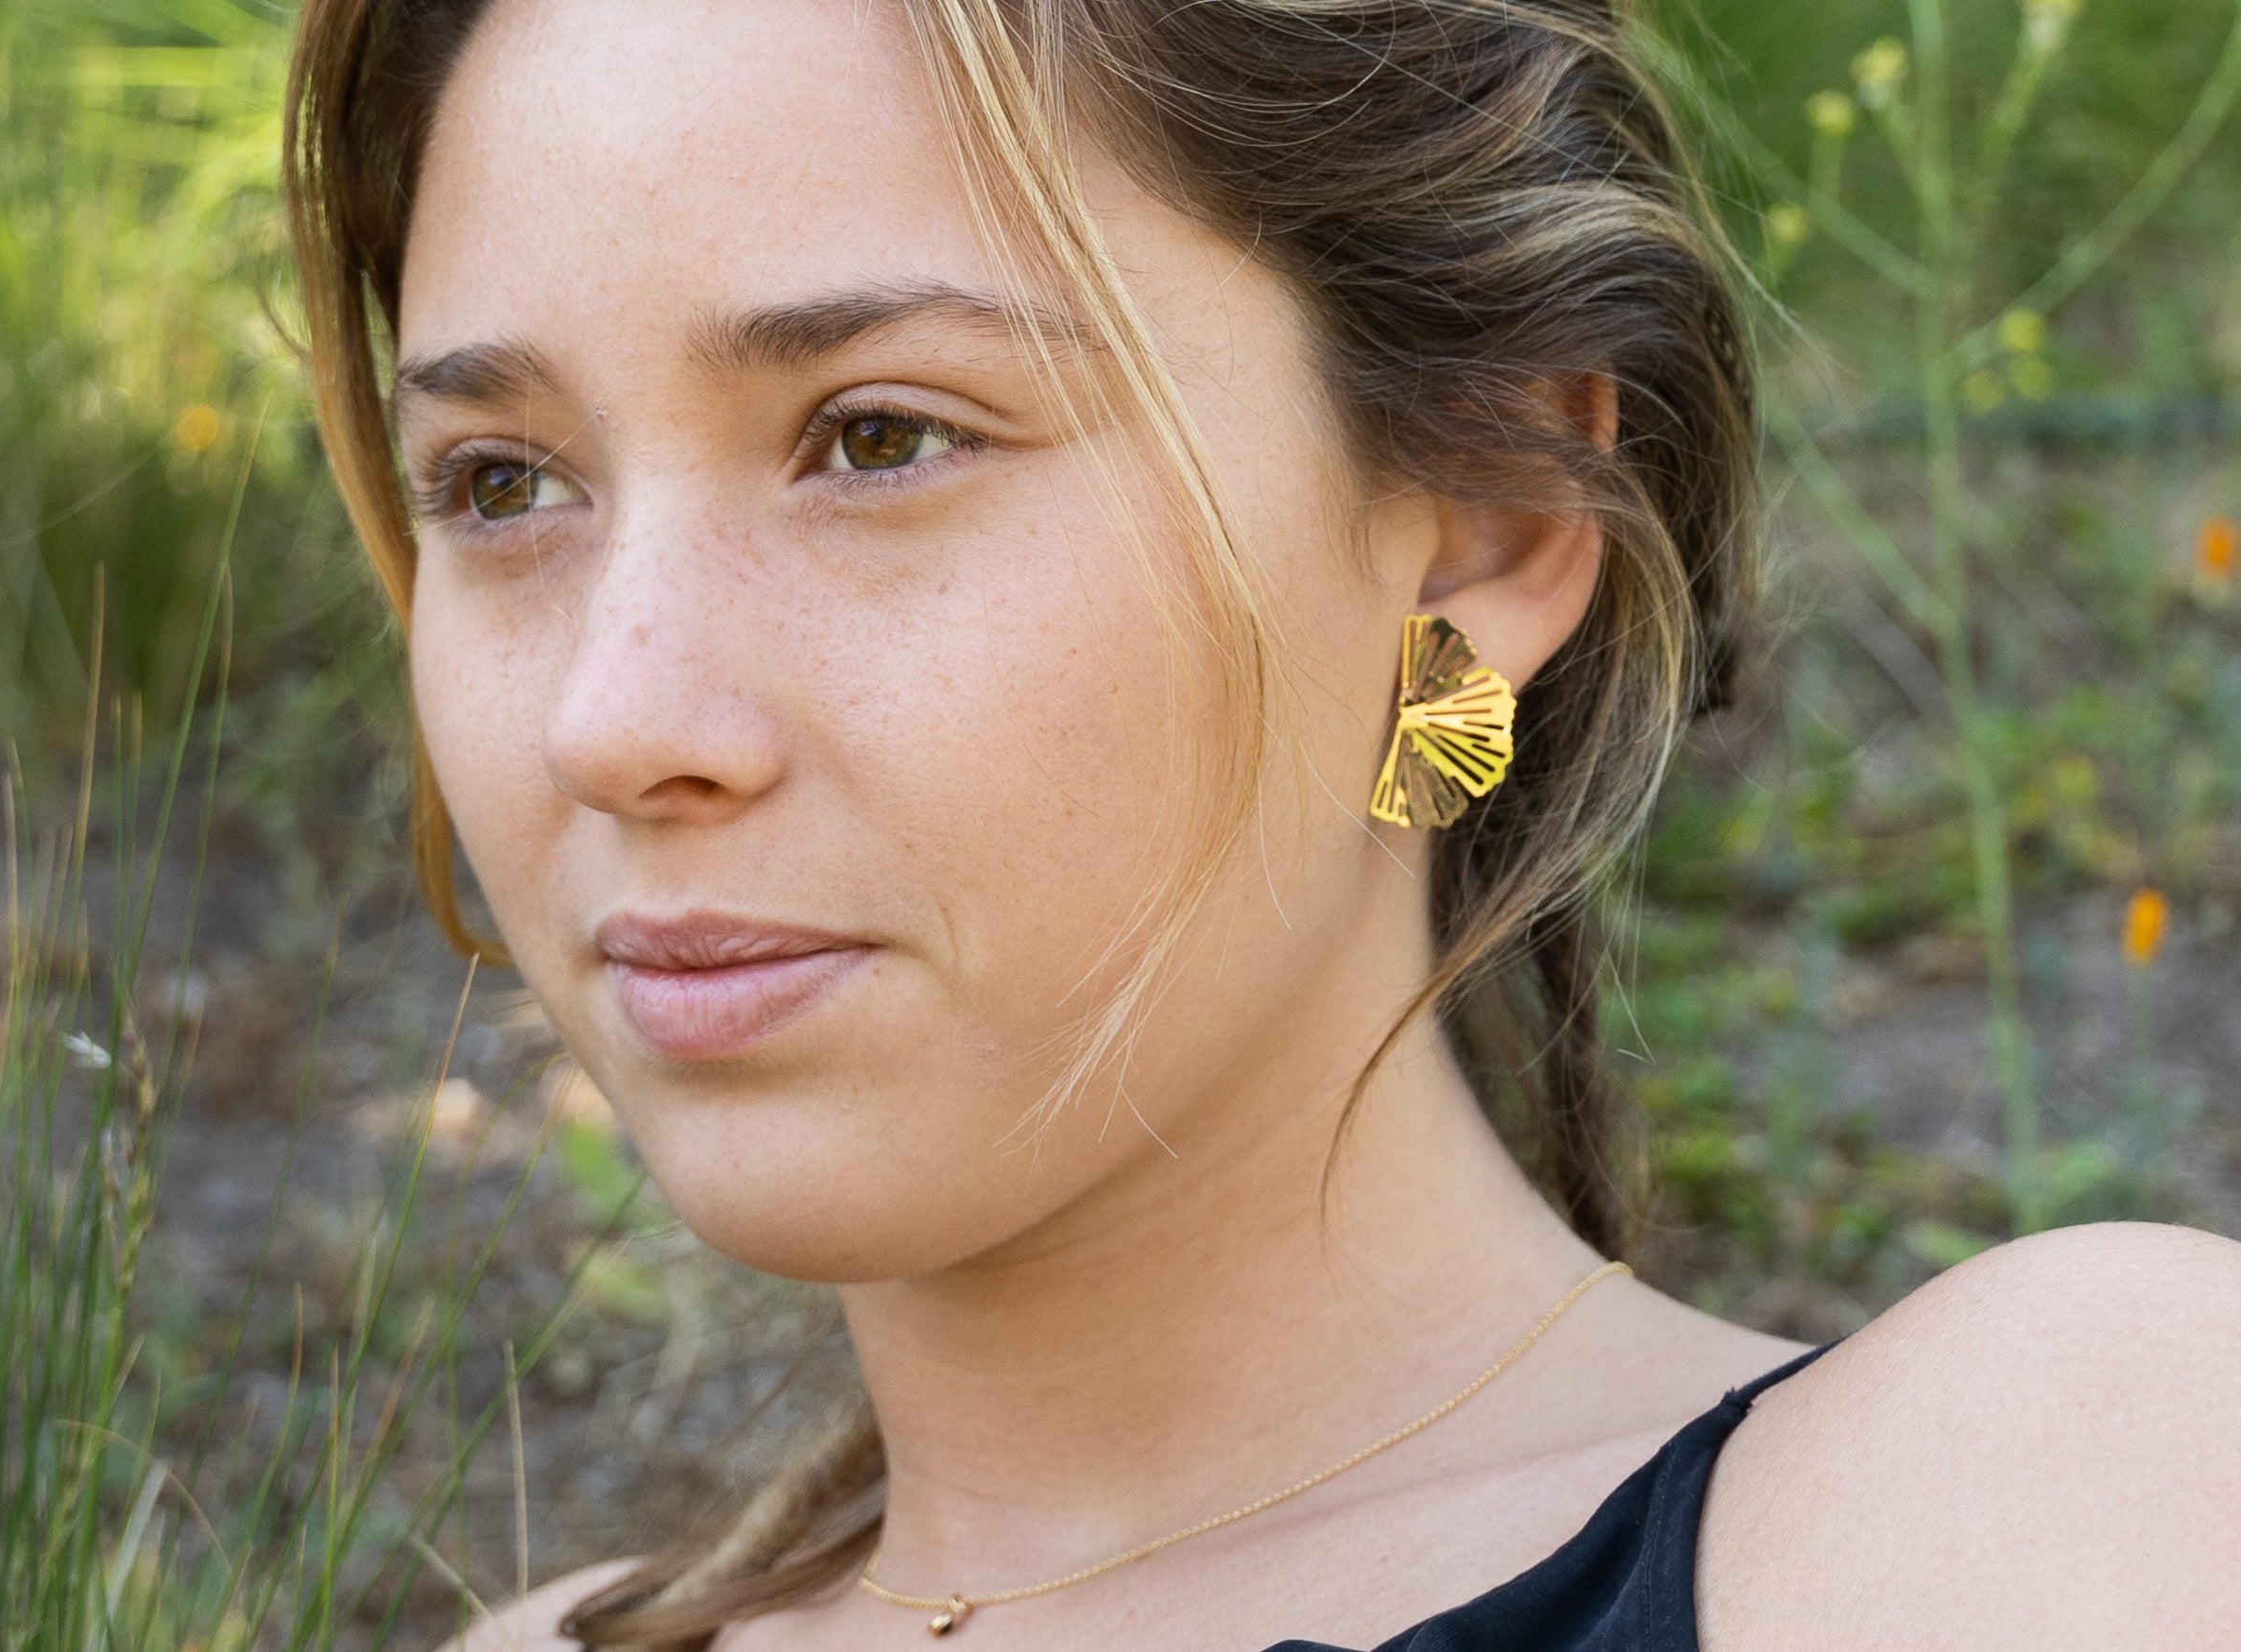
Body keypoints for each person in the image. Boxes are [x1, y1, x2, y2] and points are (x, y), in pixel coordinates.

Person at [281, 2, 2241, 1647]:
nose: (612, 720)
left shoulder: (2043, 1501)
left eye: (882, 435)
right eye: (501, 483)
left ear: (1485, 521)